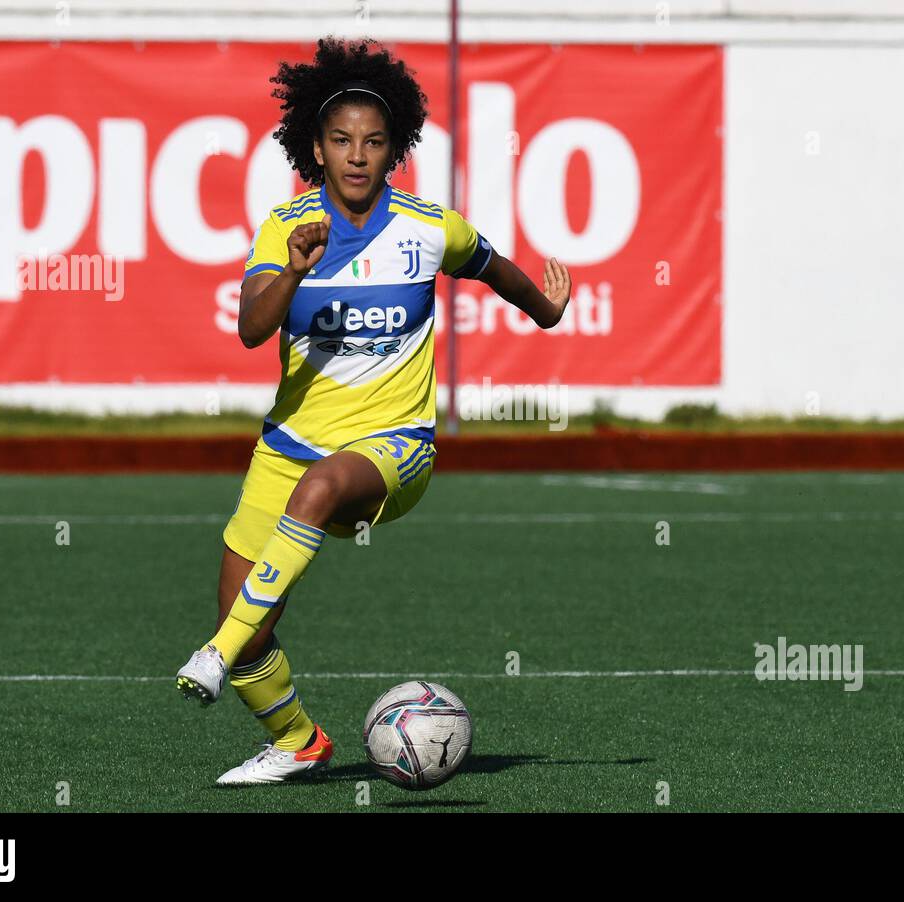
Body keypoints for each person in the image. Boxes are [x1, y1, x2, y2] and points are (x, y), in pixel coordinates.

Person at [175, 37, 572, 785]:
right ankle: (298, 739)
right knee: (250, 617)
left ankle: (214, 655)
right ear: (316, 150)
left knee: (318, 493)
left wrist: (546, 310)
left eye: (374, 142)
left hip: (396, 448)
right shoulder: (287, 227)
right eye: (341, 141)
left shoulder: (429, 227)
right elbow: (253, 329)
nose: (357, 155)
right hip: (288, 445)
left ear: (396, 151)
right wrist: (294, 270)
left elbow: (493, 267)